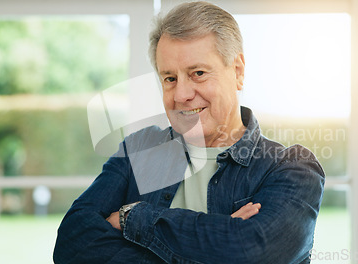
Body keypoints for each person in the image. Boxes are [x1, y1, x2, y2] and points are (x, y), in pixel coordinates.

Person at [53, 1, 325, 263]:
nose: (181, 95)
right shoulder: (140, 148)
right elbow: (71, 243)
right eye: (170, 78)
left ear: (238, 71)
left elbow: (252, 253)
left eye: (197, 73)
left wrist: (133, 218)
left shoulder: (292, 168)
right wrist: (219, 240)